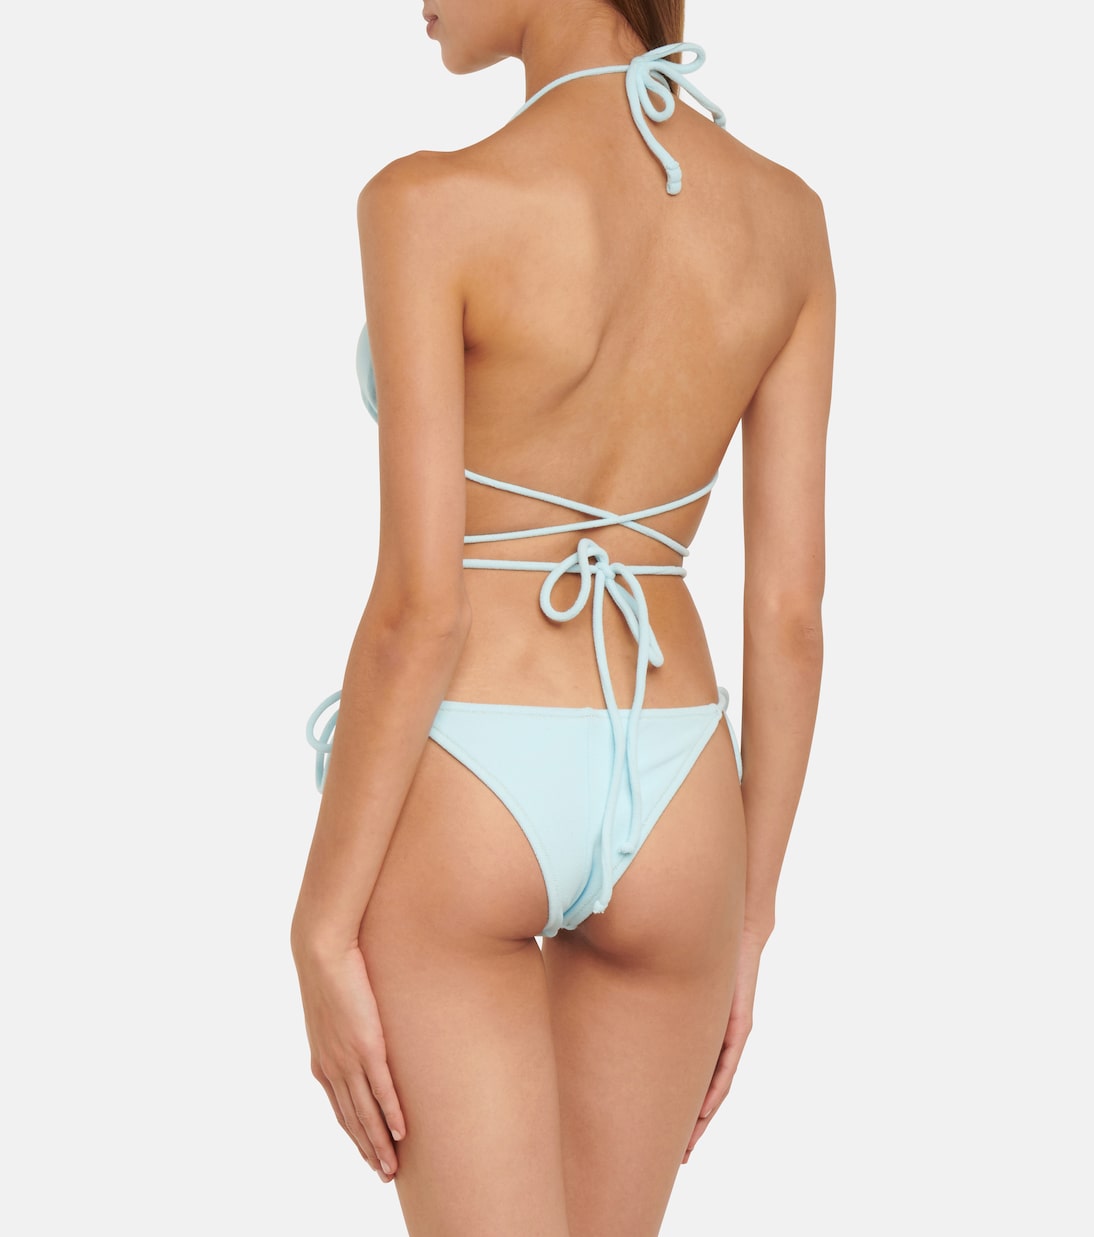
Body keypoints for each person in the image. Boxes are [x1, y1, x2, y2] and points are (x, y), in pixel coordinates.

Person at [291, 1, 834, 1232]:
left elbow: (419, 609)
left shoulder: (427, 203)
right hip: (682, 789)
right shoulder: (786, 220)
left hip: (472, 770)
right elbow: (789, 612)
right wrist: (748, 917)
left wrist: (320, 926)